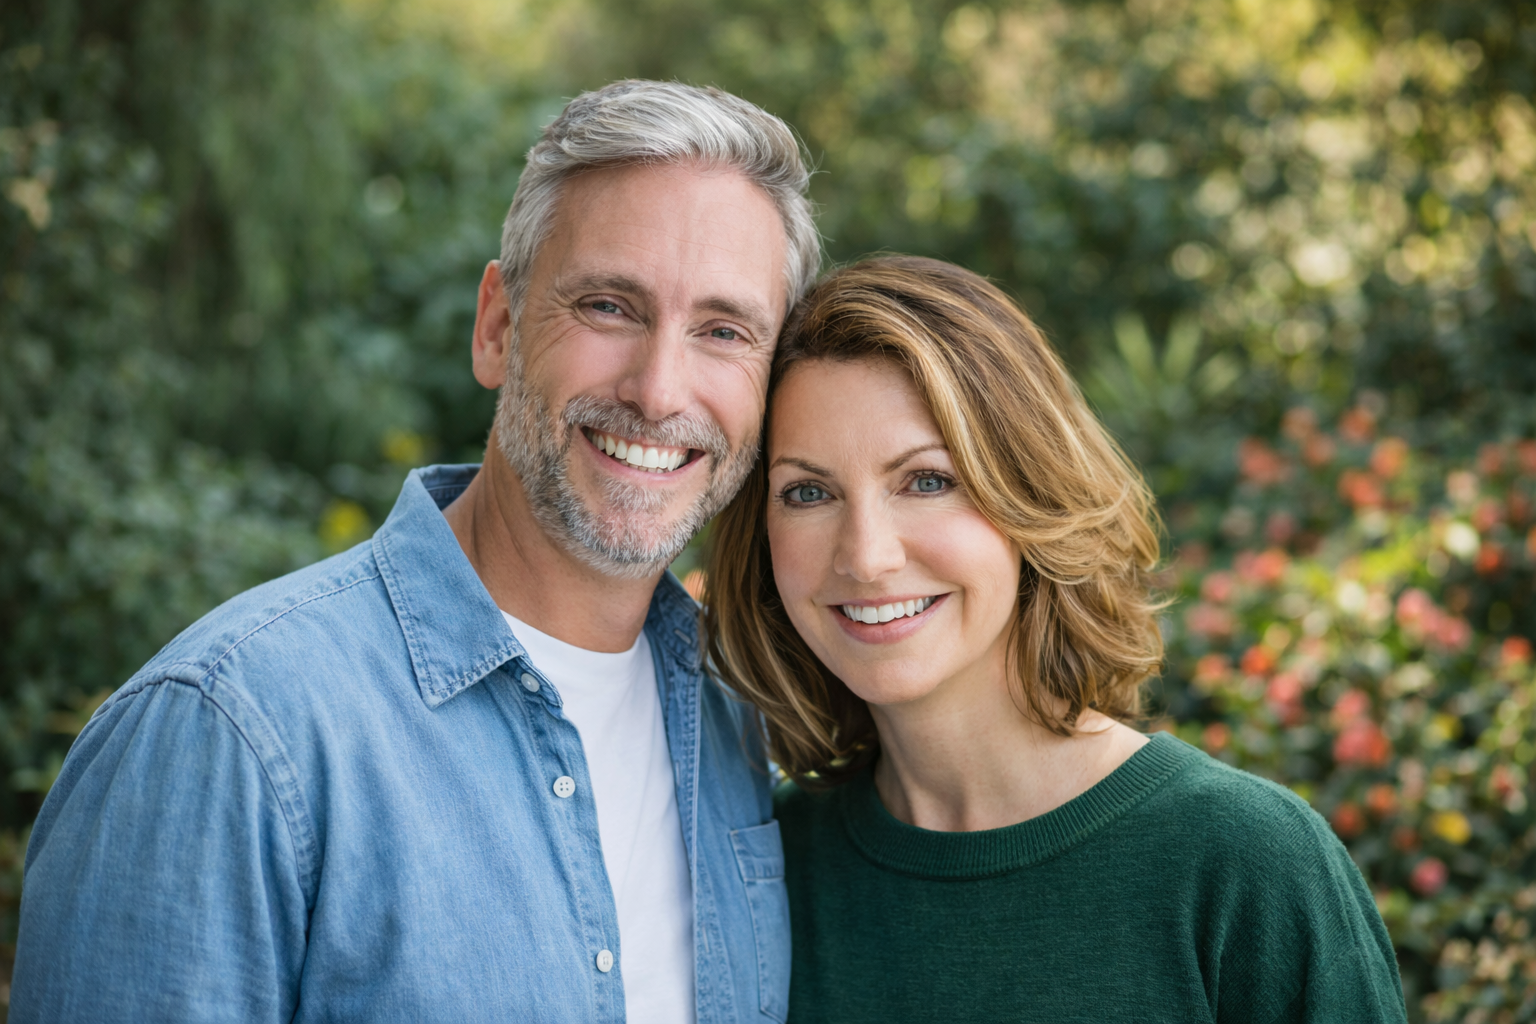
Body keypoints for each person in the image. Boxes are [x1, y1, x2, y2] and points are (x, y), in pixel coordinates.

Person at [13, 80, 818, 1024]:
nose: (659, 390)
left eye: (723, 331)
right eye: (609, 306)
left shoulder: (741, 722)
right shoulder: (229, 733)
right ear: (497, 327)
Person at [705, 256, 1408, 1023]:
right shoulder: (762, 871)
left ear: (1027, 493)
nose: (866, 556)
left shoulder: (1246, 864)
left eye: (928, 481)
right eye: (808, 492)